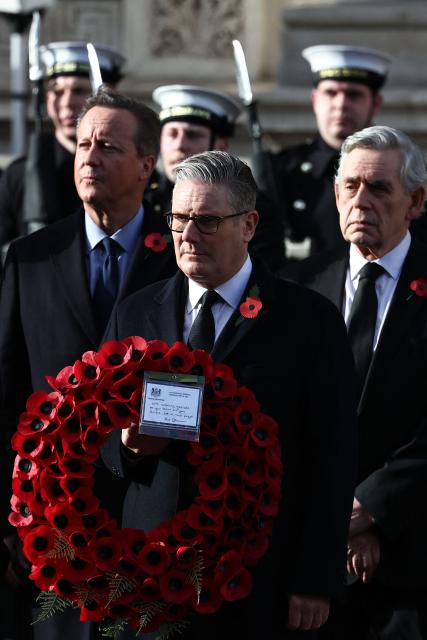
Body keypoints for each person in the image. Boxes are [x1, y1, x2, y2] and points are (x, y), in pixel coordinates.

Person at [103, 150, 358, 639]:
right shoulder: (135, 312)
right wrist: (127, 447)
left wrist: (315, 578)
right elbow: (100, 436)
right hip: (152, 573)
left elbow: (333, 455)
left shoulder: (308, 321)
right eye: (179, 219)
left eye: (207, 221)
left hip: (262, 577)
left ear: (249, 225)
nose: (188, 235)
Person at [0, 88, 177, 639]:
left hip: (157, 526)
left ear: (147, 165)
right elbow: (6, 387)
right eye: (82, 144)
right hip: (51, 525)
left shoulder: (180, 254)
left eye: (108, 146)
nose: (89, 157)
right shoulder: (31, 257)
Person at [281, 125, 427, 639]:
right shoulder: (298, 286)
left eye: (380, 188)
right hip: (308, 564)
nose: (361, 200)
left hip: (410, 568)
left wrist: (374, 510)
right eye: (350, 186)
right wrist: (331, 521)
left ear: (416, 201)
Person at [258, 45, 391, 259]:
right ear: (315, 100)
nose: (340, 104)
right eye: (331, 93)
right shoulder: (282, 169)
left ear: (375, 104)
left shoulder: (399, 172)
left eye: (353, 95)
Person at [0, 41, 125, 258]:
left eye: (79, 91)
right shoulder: (19, 174)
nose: (66, 103)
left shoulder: (126, 170)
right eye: (57, 91)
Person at [148, 84, 286, 270]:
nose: (180, 144)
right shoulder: (144, 199)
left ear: (220, 146)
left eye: (192, 135)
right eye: (172, 134)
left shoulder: (253, 206)